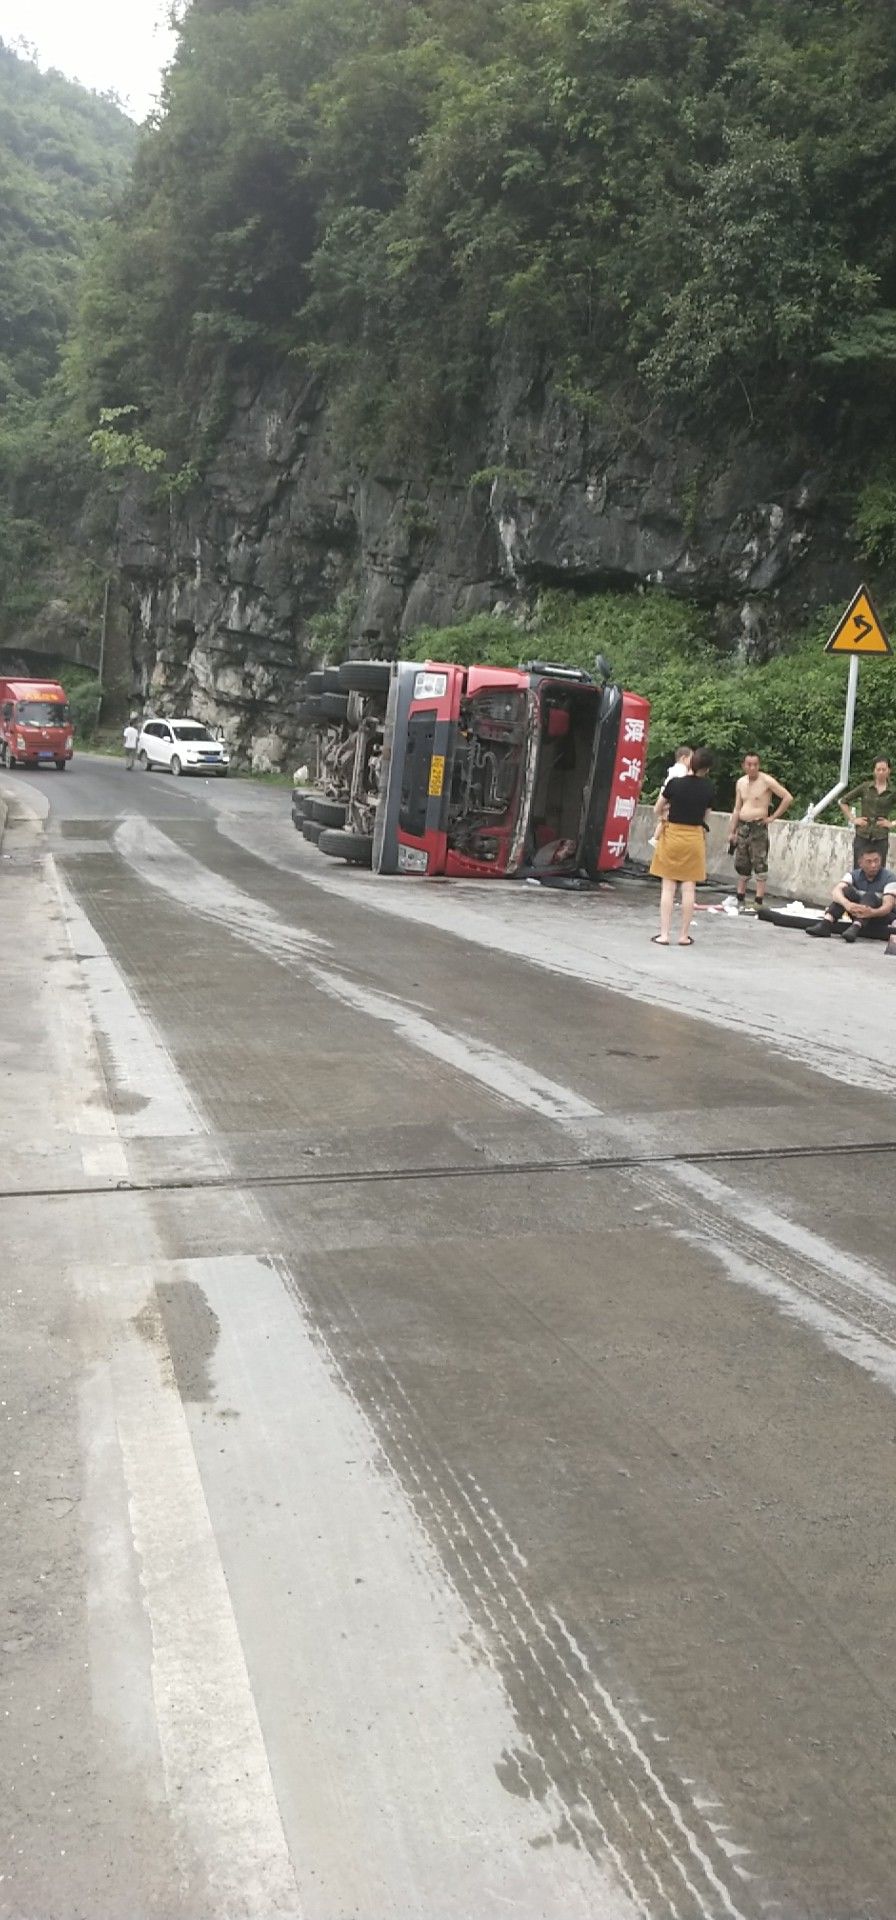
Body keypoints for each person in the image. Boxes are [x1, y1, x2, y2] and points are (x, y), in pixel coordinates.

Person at [649, 747, 714, 946]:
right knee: (688, 888)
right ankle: (684, 936)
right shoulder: (709, 788)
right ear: (708, 769)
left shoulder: (674, 783)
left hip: (672, 836)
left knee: (668, 888)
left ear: (690, 763)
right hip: (693, 838)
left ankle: (664, 934)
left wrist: (664, 816)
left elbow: (657, 808)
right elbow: (706, 817)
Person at [726, 752, 792, 910]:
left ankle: (758, 900)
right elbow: (737, 807)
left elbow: (787, 797)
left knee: (759, 862)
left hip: (758, 826)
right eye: (749, 764)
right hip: (743, 825)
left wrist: (772, 817)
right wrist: (732, 830)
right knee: (742, 862)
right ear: (744, 765)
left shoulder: (766, 781)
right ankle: (740, 897)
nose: (752, 767)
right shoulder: (741, 782)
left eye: (755, 764)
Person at [805, 847, 896, 944]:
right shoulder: (853, 875)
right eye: (869, 862)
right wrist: (847, 904)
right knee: (845, 891)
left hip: (879, 916)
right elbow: (836, 891)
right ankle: (826, 923)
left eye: (876, 861)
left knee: (870, 896)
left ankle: (856, 927)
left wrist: (871, 912)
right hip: (856, 912)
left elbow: (888, 906)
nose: (873, 865)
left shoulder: (889, 878)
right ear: (860, 863)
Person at [838, 756, 894, 865]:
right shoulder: (865, 787)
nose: (881, 772)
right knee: (859, 870)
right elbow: (843, 801)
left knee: (878, 872)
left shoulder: (892, 791)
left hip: (880, 837)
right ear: (874, 771)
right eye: (878, 769)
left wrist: (891, 823)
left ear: (889, 771)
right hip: (862, 835)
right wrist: (853, 819)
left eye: (884, 769)